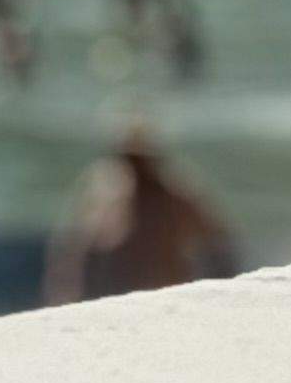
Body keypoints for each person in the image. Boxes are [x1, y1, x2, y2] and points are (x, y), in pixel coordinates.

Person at [43, 125, 237, 302]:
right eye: (130, 159)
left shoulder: (175, 195)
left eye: (140, 159)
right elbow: (77, 252)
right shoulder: (107, 194)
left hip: (168, 296)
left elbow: (217, 241)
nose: (136, 166)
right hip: (118, 298)